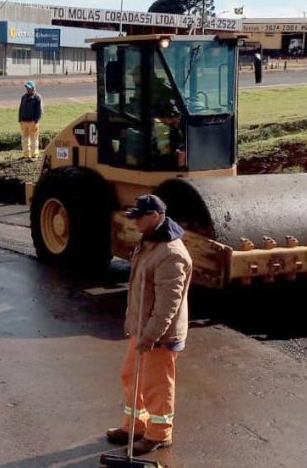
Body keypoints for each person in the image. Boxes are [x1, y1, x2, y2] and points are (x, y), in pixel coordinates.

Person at [106, 195, 192, 455]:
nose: (135, 224)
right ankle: (135, 425)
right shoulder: (150, 242)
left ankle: (159, 434)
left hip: (160, 335)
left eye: (139, 218)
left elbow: (167, 306)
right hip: (143, 329)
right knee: (131, 374)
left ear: (155, 217)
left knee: (157, 383)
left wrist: (150, 337)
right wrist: (133, 325)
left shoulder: (172, 254)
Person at [18, 80, 43, 160]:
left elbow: (40, 110)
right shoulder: (24, 97)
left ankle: (34, 155)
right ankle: (26, 155)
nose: (27, 89)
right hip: (24, 121)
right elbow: (21, 108)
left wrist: (36, 120)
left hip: (32, 121)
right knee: (24, 139)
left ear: (33, 88)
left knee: (34, 139)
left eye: (29, 88)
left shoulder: (37, 98)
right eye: (26, 87)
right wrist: (20, 119)